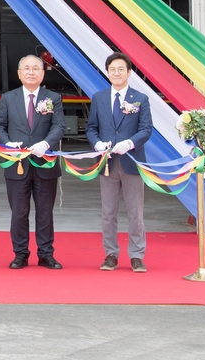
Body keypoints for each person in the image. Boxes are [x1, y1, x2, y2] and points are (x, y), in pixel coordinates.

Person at [0, 54, 65, 270]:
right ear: (19, 73)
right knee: (19, 212)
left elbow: (59, 126)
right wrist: (7, 144)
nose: (31, 72)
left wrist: (46, 144)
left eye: (36, 68)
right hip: (17, 164)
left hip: (45, 163)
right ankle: (20, 253)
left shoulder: (53, 98)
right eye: (27, 68)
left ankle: (46, 254)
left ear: (43, 73)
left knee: (45, 212)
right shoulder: (8, 98)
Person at [85, 51, 153, 273]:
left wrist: (130, 144)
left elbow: (146, 129)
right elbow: (91, 127)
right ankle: (111, 253)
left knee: (136, 212)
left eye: (120, 69)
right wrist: (96, 143)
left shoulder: (140, 99)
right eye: (112, 69)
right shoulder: (99, 98)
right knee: (108, 212)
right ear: (107, 72)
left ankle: (136, 255)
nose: (116, 73)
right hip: (107, 163)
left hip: (131, 162)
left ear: (129, 72)